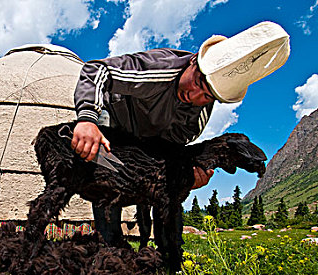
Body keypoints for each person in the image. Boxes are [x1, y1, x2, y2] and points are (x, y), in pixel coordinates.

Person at [70, 21, 290, 255]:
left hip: (150, 140)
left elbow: (166, 156)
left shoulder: (195, 119)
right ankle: (109, 246)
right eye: (197, 82)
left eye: (206, 95)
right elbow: (96, 71)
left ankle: (165, 252)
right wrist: (86, 118)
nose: (193, 95)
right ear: (194, 61)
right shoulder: (158, 69)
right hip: (115, 116)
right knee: (108, 174)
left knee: (162, 184)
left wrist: (187, 176)